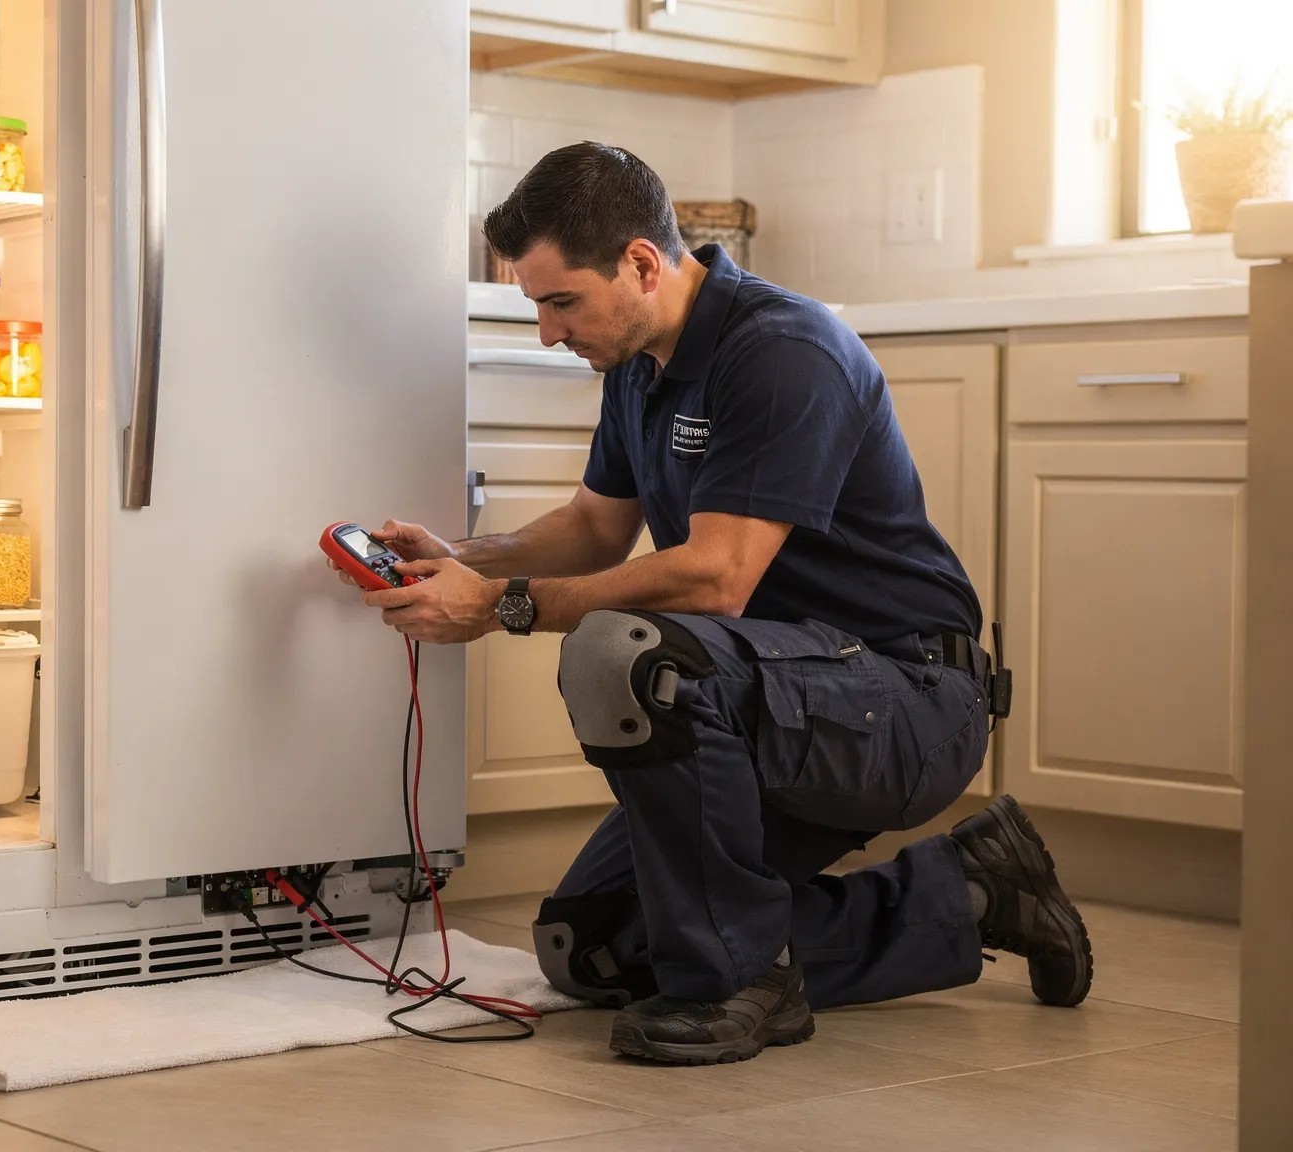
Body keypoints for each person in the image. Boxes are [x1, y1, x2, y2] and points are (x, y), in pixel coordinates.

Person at [339, 143, 1092, 1066]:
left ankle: (738, 983)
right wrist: (461, 555)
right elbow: (591, 527)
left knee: (630, 654)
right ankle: (974, 891)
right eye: (536, 304)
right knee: (593, 948)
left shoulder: (783, 350)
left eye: (560, 300)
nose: (544, 330)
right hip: (770, 698)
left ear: (642, 264)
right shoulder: (638, 366)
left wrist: (502, 605)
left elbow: (716, 576)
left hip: (903, 695)